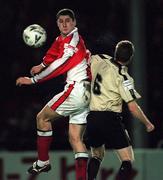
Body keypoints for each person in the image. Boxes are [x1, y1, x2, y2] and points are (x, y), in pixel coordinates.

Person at [16, 8, 91, 180]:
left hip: (76, 89)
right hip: (86, 92)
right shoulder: (63, 38)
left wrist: (33, 79)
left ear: (74, 23)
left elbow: (60, 64)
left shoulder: (72, 42)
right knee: (75, 139)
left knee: (42, 118)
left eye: (68, 21)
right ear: (57, 24)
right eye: (61, 21)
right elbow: (55, 50)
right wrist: (42, 65)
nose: (64, 24)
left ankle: (43, 161)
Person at [86, 40, 155, 180]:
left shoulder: (100, 59)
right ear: (130, 58)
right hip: (110, 118)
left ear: (115, 52)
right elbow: (133, 107)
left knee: (96, 155)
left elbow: (86, 58)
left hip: (92, 117)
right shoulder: (123, 77)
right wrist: (148, 124)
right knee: (127, 160)